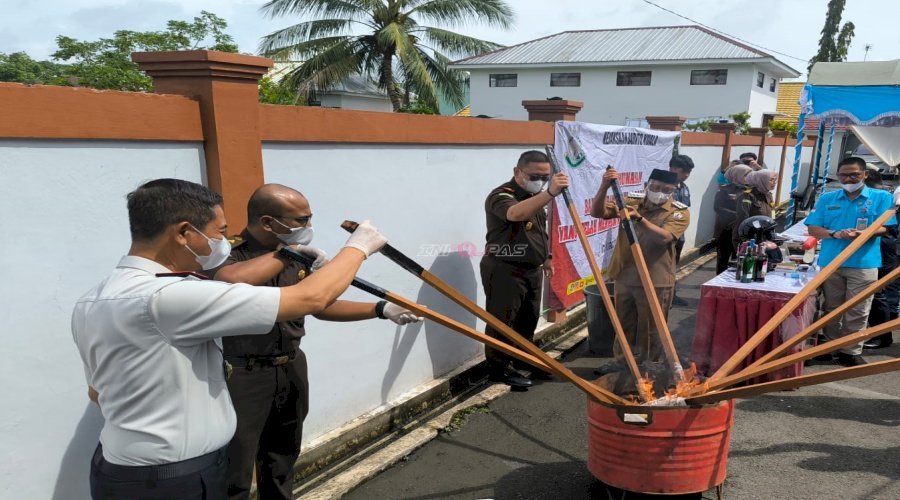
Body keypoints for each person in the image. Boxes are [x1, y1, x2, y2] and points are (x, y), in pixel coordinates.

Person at [71, 178, 387, 499]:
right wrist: (358, 247)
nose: (222, 242)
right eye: (219, 232)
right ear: (184, 233)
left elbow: (97, 392)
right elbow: (311, 298)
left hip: (121, 469)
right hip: (174, 478)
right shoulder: (168, 296)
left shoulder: (93, 299)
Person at [210, 184, 421, 500]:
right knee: (234, 470)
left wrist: (381, 309)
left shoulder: (296, 254)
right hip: (243, 375)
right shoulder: (227, 254)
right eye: (301, 220)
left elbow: (319, 305)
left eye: (309, 218)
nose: (308, 226)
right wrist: (286, 254)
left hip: (291, 365)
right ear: (267, 222)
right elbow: (230, 282)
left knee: (282, 459)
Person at [482, 150, 568, 388]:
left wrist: (546, 256)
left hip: (532, 269)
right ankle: (498, 368)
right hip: (505, 268)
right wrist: (550, 192)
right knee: (502, 322)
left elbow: (539, 229)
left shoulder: (536, 196)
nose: (540, 182)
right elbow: (514, 214)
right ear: (517, 172)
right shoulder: (501, 195)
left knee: (528, 319)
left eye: (545, 178)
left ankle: (523, 358)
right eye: (535, 176)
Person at [591, 168, 690, 372]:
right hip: (625, 275)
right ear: (647, 185)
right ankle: (621, 362)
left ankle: (649, 366)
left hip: (655, 279)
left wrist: (639, 219)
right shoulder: (631, 201)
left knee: (651, 328)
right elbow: (597, 213)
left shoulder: (679, 212)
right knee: (622, 324)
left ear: (674, 190)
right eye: (655, 187)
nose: (659, 192)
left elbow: (664, 237)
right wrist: (604, 186)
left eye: (666, 189)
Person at [805, 157, 897, 366]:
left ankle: (850, 351)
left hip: (864, 263)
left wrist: (865, 233)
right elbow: (813, 228)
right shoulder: (828, 198)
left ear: (865, 174)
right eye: (843, 175)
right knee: (831, 308)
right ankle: (830, 347)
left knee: (858, 309)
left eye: (854, 175)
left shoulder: (881, 197)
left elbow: (887, 227)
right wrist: (835, 233)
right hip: (831, 262)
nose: (848, 179)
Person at [863, 169, 898, 349]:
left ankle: (881, 337)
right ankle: (880, 333)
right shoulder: (887, 195)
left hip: (883, 250)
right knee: (879, 292)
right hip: (886, 249)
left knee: (877, 292)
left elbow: (887, 229)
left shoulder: (882, 197)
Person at [713, 165, 752, 273]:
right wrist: (738, 215)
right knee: (723, 259)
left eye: (749, 175)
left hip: (741, 230)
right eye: (745, 175)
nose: (748, 177)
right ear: (736, 175)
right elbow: (718, 207)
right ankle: (719, 282)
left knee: (739, 258)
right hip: (726, 229)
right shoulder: (724, 189)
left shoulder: (749, 191)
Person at [669, 154, 694, 306]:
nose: (686, 175)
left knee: (673, 267)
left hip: (679, 236)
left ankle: (672, 295)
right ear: (672, 169)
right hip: (665, 235)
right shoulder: (661, 186)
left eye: (688, 172)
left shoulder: (684, 188)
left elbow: (684, 210)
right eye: (683, 171)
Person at [732, 170, 778, 248]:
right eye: (771, 180)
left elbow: (772, 212)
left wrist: (771, 227)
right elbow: (743, 218)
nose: (775, 182)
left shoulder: (768, 195)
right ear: (761, 180)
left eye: (775, 180)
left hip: (762, 236)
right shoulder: (748, 196)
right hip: (748, 238)